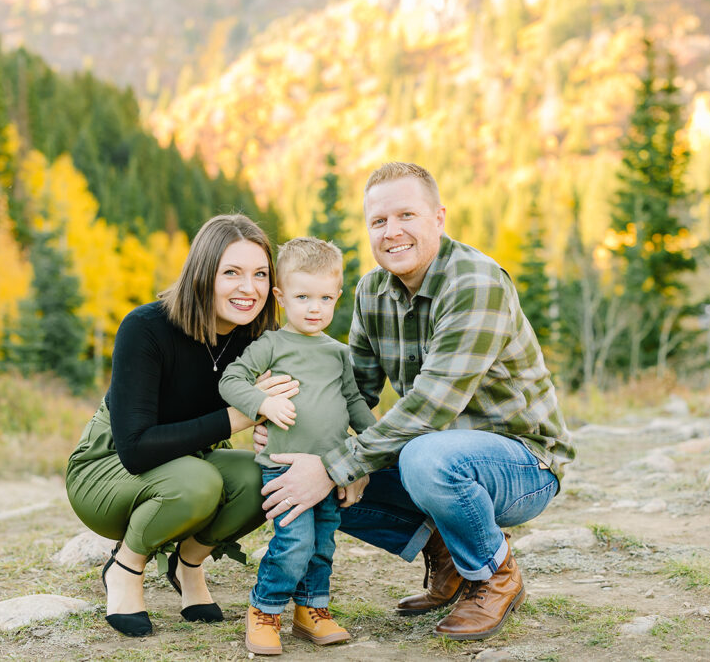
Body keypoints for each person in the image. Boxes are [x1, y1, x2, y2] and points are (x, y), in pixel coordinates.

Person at [255, 162, 576, 641]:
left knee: (409, 458)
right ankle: (447, 553)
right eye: (379, 221)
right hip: (435, 452)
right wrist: (292, 431)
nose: (393, 232)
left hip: (523, 463)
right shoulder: (371, 291)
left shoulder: (475, 284)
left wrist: (336, 464)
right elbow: (353, 392)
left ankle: (494, 574)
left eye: (407, 215)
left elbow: (430, 408)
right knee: (306, 473)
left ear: (439, 218)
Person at [65, 214, 298, 637]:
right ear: (203, 273)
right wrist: (241, 416)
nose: (249, 289)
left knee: (263, 477)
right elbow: (134, 449)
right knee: (198, 482)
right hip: (109, 467)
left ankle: (189, 566)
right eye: (232, 272)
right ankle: (125, 567)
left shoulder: (260, 338)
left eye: (260, 274)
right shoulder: (146, 328)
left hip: (193, 463)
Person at [219, 237, 376, 655]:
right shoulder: (271, 344)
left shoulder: (339, 352)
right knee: (294, 544)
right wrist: (263, 402)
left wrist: (377, 445)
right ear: (281, 296)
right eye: (303, 296)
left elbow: (354, 402)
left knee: (323, 544)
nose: (314, 308)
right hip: (284, 467)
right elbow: (230, 381)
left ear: (337, 297)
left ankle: (311, 611)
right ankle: (265, 608)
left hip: (330, 469)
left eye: (325, 298)